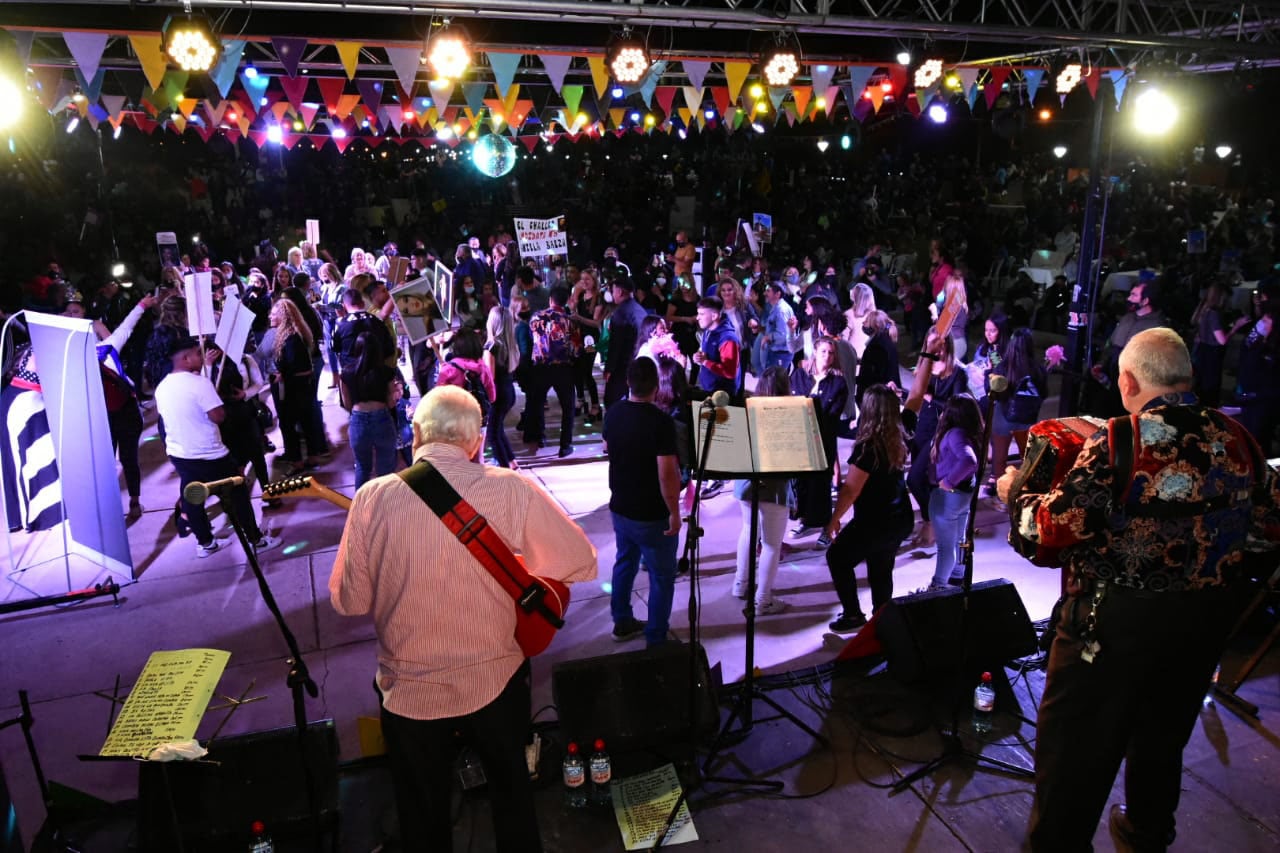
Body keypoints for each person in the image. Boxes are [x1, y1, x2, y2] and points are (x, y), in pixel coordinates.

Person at [996, 328, 1279, 853]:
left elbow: (1049, 531)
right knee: (1163, 735)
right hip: (1202, 623)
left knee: (1075, 749)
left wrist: (1019, 495)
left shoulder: (1120, 439)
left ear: (1128, 381)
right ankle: (1147, 832)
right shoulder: (1237, 437)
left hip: (1112, 627)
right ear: (1187, 378)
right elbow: (1267, 528)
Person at [330, 385, 597, 853]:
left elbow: (349, 602)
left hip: (410, 689)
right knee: (512, 794)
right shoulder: (510, 490)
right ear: (477, 441)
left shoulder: (373, 498)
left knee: (422, 813)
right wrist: (512, 571)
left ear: (415, 434)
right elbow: (580, 560)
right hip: (496, 677)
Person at [154, 336, 278, 558]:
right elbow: (218, 416)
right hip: (210, 453)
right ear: (185, 358)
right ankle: (255, 539)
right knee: (238, 492)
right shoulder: (200, 384)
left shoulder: (163, 387)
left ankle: (206, 543)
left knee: (193, 497)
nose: (201, 358)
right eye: (197, 354)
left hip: (181, 454)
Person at [603, 357, 683, 646]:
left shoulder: (613, 413)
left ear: (628, 383)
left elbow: (607, 447)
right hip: (651, 513)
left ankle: (622, 620)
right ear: (657, 386)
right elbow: (666, 473)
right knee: (662, 577)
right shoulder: (661, 422)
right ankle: (656, 637)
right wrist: (674, 511)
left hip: (621, 505)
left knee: (625, 562)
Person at [822, 384, 915, 631]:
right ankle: (882, 619)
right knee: (881, 566)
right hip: (899, 518)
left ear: (869, 410)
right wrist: (927, 354)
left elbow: (851, 490)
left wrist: (834, 519)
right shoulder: (900, 433)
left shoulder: (868, 448)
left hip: (876, 521)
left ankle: (853, 615)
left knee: (837, 557)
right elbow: (915, 397)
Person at [733, 366, 794, 615]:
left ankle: (740, 584)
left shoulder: (747, 409)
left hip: (746, 483)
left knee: (748, 530)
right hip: (775, 485)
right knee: (771, 544)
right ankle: (763, 599)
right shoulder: (790, 413)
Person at [925, 395, 983, 591]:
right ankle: (956, 578)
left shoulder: (955, 434)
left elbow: (969, 460)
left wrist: (948, 482)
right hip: (964, 494)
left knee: (945, 546)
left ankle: (938, 586)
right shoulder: (970, 432)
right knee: (959, 539)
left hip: (951, 495)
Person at [524, 286, 580, 458]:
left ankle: (539, 437)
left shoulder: (535, 317)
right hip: (563, 368)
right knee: (568, 407)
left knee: (537, 403)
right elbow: (576, 349)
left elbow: (531, 339)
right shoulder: (570, 321)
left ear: (550, 299)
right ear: (565, 301)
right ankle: (565, 445)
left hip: (540, 367)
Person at [341, 331, 400, 490]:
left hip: (358, 420)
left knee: (362, 467)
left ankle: (361, 508)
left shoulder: (346, 372)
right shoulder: (387, 371)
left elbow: (346, 403)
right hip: (381, 418)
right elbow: (390, 402)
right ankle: (383, 507)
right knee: (386, 469)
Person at [483, 305, 521, 470]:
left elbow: (489, 378)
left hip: (497, 394)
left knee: (492, 434)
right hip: (509, 392)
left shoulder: (491, 347)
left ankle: (505, 469)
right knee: (498, 429)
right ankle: (512, 462)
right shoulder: (510, 344)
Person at [693, 295, 742, 398]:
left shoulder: (728, 339)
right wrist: (698, 356)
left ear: (714, 316)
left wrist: (705, 362)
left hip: (722, 395)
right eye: (698, 314)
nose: (697, 318)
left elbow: (730, 372)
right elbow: (705, 352)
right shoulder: (708, 329)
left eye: (701, 314)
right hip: (709, 389)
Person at [756, 282, 796, 371]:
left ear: (778, 294)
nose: (764, 294)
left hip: (781, 353)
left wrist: (767, 337)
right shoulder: (776, 308)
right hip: (777, 352)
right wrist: (761, 329)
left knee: (775, 382)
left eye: (768, 291)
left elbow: (783, 335)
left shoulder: (781, 311)